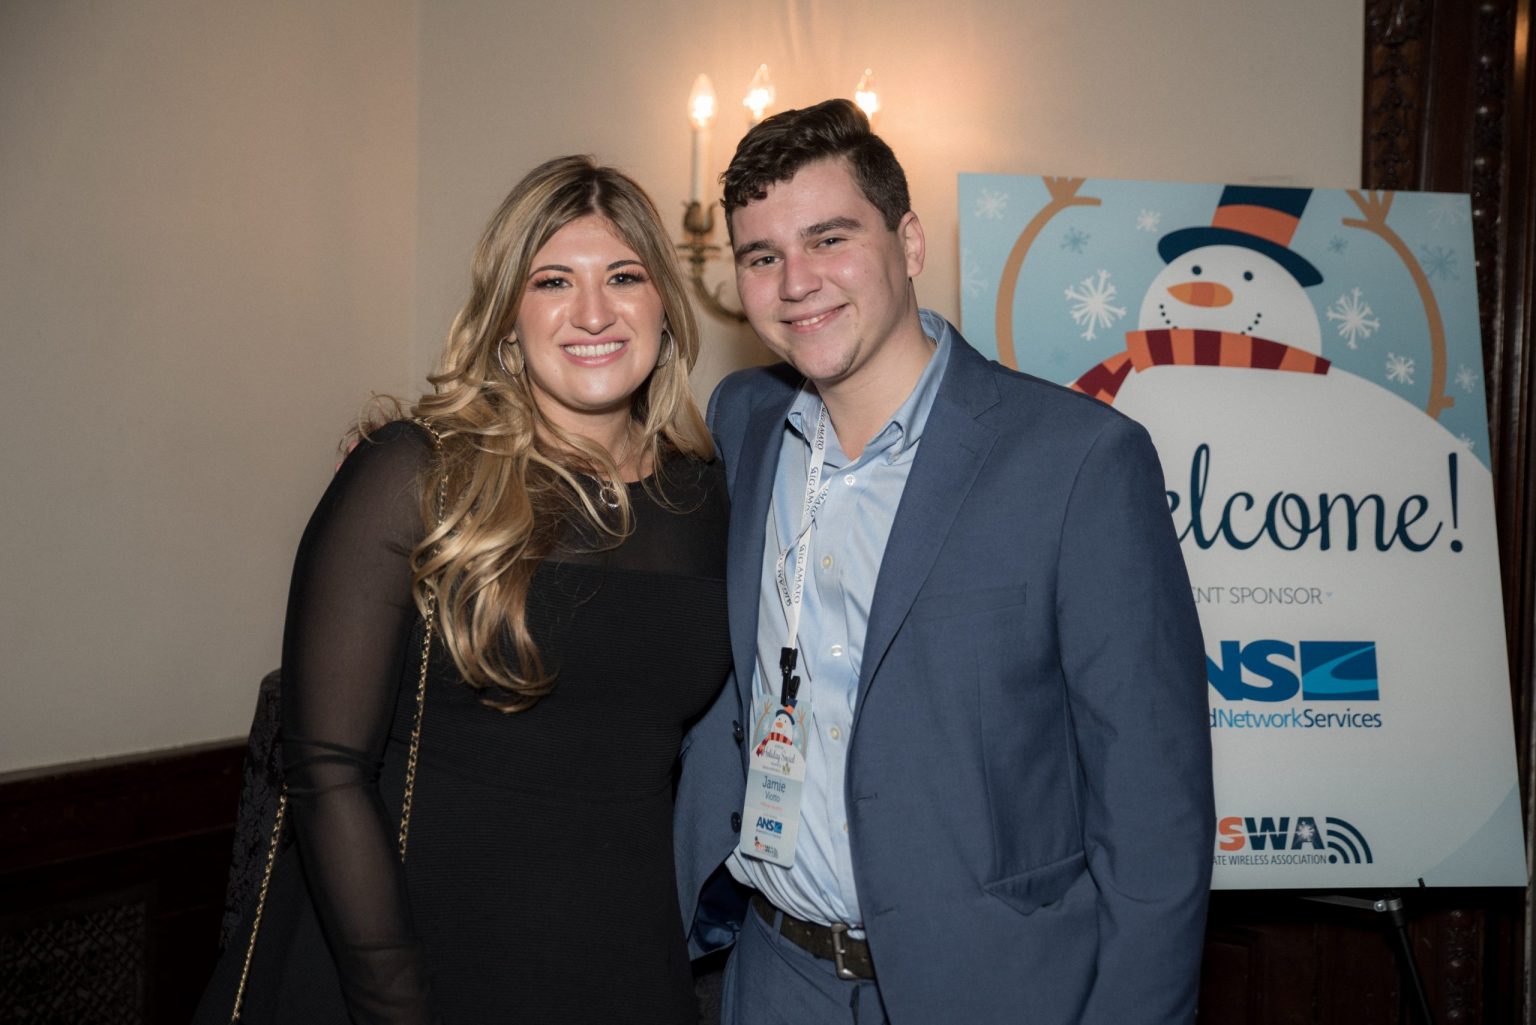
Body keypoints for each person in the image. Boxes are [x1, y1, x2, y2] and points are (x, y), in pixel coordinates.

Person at [673, 100, 1214, 1025]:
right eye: (762, 257)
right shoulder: (743, 422)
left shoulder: (1079, 461)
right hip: (773, 978)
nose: (797, 281)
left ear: (909, 241)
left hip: (994, 986)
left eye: (830, 238)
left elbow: (1154, 814)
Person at [195, 155, 730, 1024]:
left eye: (624, 276)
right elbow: (325, 766)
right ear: (507, 317)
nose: (594, 312)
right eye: (553, 281)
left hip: (623, 957)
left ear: (664, 304)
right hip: (415, 956)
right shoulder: (415, 473)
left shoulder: (705, 495)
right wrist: (393, 995)